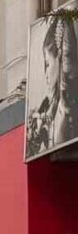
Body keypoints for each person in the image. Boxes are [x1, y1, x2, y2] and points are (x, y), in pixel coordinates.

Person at [27, 11, 78, 159]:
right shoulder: (49, 106)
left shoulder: (67, 110)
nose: (45, 72)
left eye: (47, 64)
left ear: (60, 57)